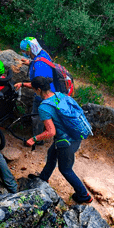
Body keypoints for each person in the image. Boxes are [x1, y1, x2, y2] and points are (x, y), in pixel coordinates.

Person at [26, 76, 93, 204]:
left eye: (34, 90)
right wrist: (23, 84)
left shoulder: (44, 107)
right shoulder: (60, 95)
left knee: (66, 169)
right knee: (52, 154)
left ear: (39, 89)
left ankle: (84, 195)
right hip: (75, 135)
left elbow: (51, 132)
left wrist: (34, 138)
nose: (34, 92)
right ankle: (43, 178)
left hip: (65, 143)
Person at [18, 37, 56, 143]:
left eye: (24, 50)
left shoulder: (39, 65)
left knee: (37, 116)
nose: (23, 52)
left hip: (43, 95)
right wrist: (30, 63)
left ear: (30, 50)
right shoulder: (43, 54)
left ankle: (37, 140)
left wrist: (22, 84)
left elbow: (38, 85)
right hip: (53, 92)